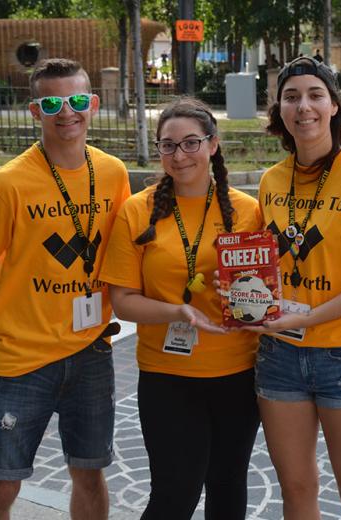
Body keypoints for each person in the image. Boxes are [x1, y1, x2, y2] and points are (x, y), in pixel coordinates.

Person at [0, 58, 131, 519]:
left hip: (91, 351)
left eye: (75, 100)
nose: (65, 112)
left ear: (92, 104)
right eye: (52, 102)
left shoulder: (113, 174)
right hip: (22, 359)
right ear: (35, 111)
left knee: (90, 474)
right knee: (3, 485)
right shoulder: (7, 184)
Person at [251, 56, 341, 519]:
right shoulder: (272, 181)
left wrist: (310, 317)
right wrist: (244, 295)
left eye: (316, 95)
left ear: (335, 106)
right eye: (291, 96)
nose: (304, 107)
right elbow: (268, 264)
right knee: (295, 489)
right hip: (278, 356)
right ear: (279, 109)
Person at [99, 97, 262, 520]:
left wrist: (251, 300)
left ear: (213, 144)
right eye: (168, 146)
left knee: (228, 488)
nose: (179, 155)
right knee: (175, 492)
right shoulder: (137, 211)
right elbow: (123, 302)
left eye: (191, 143)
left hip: (237, 374)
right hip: (167, 375)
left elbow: (263, 290)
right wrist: (178, 313)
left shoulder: (248, 212)